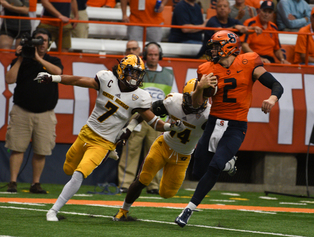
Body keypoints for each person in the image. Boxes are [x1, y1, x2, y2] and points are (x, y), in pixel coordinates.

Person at [36, 54, 185, 221]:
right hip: (87, 132)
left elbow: (152, 121)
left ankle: (53, 210)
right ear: (122, 70)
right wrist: (53, 77)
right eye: (132, 72)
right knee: (68, 168)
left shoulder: (140, 96)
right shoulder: (107, 79)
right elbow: (78, 80)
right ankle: (110, 153)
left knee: (79, 173)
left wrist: (168, 127)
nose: (135, 77)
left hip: (104, 142)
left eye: (138, 73)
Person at [174, 30, 283, 227]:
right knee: (198, 171)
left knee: (215, 166)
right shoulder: (206, 68)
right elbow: (198, 104)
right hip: (214, 123)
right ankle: (228, 163)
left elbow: (276, 85)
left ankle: (188, 209)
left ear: (228, 46)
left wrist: (272, 98)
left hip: (236, 125)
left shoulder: (248, 61)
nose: (213, 50)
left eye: (216, 46)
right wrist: (200, 87)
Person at [113, 77, 238, 221]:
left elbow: (220, 139)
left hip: (183, 156)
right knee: (143, 179)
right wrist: (130, 127)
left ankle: (228, 164)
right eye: (191, 98)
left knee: (167, 193)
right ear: (185, 96)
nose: (195, 103)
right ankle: (124, 210)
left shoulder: (207, 116)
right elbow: (145, 111)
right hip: (163, 145)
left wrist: (226, 160)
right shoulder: (173, 101)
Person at [5, 28, 63, 194]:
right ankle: (13, 182)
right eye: (38, 39)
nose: (41, 43)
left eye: (44, 40)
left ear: (49, 43)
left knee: (41, 150)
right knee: (17, 148)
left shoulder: (53, 60)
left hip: (45, 112)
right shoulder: (23, 60)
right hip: (21, 111)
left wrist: (38, 58)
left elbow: (58, 73)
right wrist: (22, 57)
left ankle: (35, 183)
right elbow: (9, 79)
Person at [118, 42, 176, 194]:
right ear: (145, 55)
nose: (153, 57)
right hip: (138, 116)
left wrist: (170, 117)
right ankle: (125, 183)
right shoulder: (137, 71)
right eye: (150, 54)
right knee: (130, 151)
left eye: (156, 54)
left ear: (160, 55)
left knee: (156, 154)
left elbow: (173, 97)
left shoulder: (169, 74)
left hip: (158, 118)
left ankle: (153, 185)